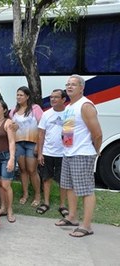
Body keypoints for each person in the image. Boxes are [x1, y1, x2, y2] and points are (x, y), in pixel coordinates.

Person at [54, 75, 102, 238]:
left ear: (82, 87)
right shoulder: (69, 106)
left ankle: (87, 226)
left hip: (82, 153)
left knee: (86, 190)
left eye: (73, 84)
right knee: (69, 187)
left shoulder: (85, 105)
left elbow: (97, 134)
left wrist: (95, 151)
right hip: (68, 153)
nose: (69, 87)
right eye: (67, 84)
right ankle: (72, 218)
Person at [9, 86, 43, 207]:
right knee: (22, 170)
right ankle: (25, 194)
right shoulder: (13, 111)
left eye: (21, 95)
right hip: (19, 143)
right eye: (17, 95)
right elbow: (11, 128)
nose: (19, 97)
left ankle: (38, 195)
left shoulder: (35, 108)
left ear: (27, 96)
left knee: (32, 170)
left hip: (32, 143)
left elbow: (41, 127)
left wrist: (39, 145)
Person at [37, 89, 68, 216]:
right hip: (47, 152)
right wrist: (40, 153)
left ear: (63, 100)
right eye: (51, 97)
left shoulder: (69, 114)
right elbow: (41, 135)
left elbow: (70, 136)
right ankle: (46, 203)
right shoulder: (46, 114)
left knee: (63, 180)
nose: (53, 99)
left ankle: (62, 205)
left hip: (63, 154)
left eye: (56, 97)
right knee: (46, 179)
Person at [0, 101, 16, 223]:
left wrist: (11, 159)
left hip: (6, 156)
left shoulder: (8, 123)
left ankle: (10, 210)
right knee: (0, 183)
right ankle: (3, 208)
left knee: (6, 185)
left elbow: (11, 142)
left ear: (4, 110)